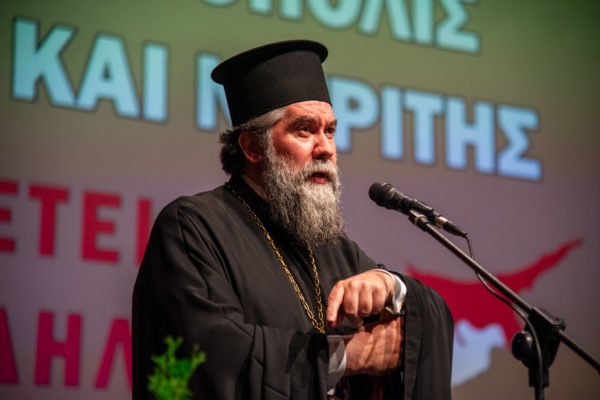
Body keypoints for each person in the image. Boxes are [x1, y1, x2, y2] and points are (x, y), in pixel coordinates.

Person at [132, 40, 454, 400]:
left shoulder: (334, 249)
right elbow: (207, 356)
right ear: (252, 147)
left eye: (330, 131)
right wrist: (346, 356)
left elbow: (430, 315)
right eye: (305, 130)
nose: (325, 148)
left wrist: (390, 284)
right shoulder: (192, 228)